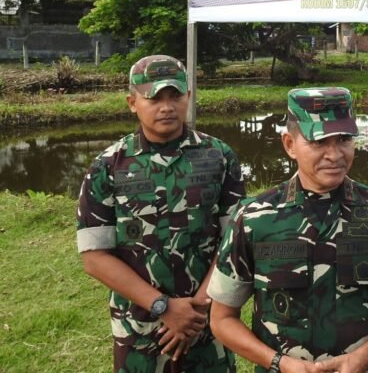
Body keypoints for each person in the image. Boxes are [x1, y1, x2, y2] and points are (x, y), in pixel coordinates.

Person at [208, 86, 368, 373]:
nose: (334, 154)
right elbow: (222, 318)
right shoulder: (253, 218)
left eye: (344, 139)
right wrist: (279, 363)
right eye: (319, 141)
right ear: (289, 144)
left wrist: (365, 356)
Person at [76, 54, 244, 372]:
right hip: (138, 329)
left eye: (175, 96)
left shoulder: (219, 157)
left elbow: (233, 240)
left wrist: (197, 309)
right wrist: (163, 306)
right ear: (132, 102)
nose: (166, 106)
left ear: (188, 98)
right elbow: (94, 256)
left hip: (206, 324)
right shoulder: (108, 167)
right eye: (154, 97)